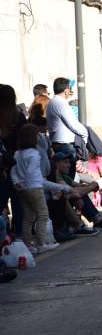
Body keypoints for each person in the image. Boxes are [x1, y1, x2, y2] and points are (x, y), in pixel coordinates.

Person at [10, 125, 70, 253]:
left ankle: (28, 244)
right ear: (33, 138)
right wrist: (61, 187)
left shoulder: (17, 154)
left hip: (22, 190)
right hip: (35, 188)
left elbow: (13, 171)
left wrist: (17, 182)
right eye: (37, 136)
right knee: (42, 215)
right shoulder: (34, 154)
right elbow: (32, 173)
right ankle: (41, 243)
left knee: (28, 217)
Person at [46, 77, 88, 177]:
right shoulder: (61, 103)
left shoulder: (52, 102)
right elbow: (73, 124)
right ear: (66, 91)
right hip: (66, 145)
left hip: (57, 143)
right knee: (69, 175)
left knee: (63, 176)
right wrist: (85, 134)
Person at [0, 84, 26, 236]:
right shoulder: (18, 116)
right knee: (18, 202)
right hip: (16, 165)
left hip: (3, 167)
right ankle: (17, 235)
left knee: (2, 203)